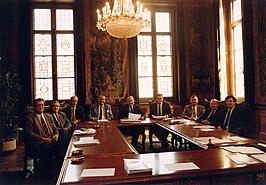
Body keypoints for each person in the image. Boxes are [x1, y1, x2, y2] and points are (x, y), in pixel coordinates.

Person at [25, 98, 63, 174]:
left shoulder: (48, 116)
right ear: (35, 107)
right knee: (47, 148)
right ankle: (47, 173)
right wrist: (43, 139)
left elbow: (55, 128)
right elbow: (29, 133)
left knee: (63, 144)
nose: (41, 107)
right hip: (38, 143)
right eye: (38, 105)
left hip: (51, 140)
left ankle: (59, 170)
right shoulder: (30, 118)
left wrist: (56, 135)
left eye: (42, 105)